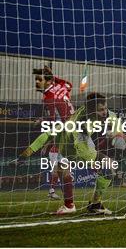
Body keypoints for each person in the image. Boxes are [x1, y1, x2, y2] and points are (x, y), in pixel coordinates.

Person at [19, 93, 122, 215]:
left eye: (105, 108)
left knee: (110, 168)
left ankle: (95, 204)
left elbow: (115, 122)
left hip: (86, 149)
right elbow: (46, 136)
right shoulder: (70, 125)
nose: (104, 112)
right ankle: (69, 205)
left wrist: (118, 135)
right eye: (100, 110)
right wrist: (24, 155)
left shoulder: (106, 115)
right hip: (68, 148)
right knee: (62, 166)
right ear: (90, 111)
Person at [33, 65, 75, 201]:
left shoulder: (48, 98)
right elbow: (69, 84)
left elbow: (53, 121)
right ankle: (64, 197)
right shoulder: (62, 87)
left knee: (61, 169)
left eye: (40, 79)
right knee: (62, 169)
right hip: (71, 129)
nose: (37, 82)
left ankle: (57, 193)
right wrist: (52, 76)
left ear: (49, 82)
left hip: (66, 131)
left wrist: (42, 120)